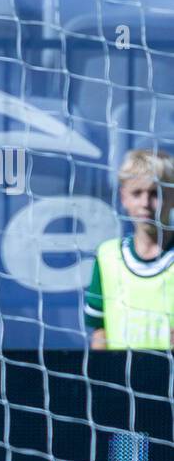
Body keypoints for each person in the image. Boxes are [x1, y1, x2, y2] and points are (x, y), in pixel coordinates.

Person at [85, 148, 174, 350]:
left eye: (155, 194)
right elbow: (100, 332)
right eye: (137, 193)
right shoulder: (107, 256)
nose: (145, 203)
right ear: (124, 198)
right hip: (119, 378)